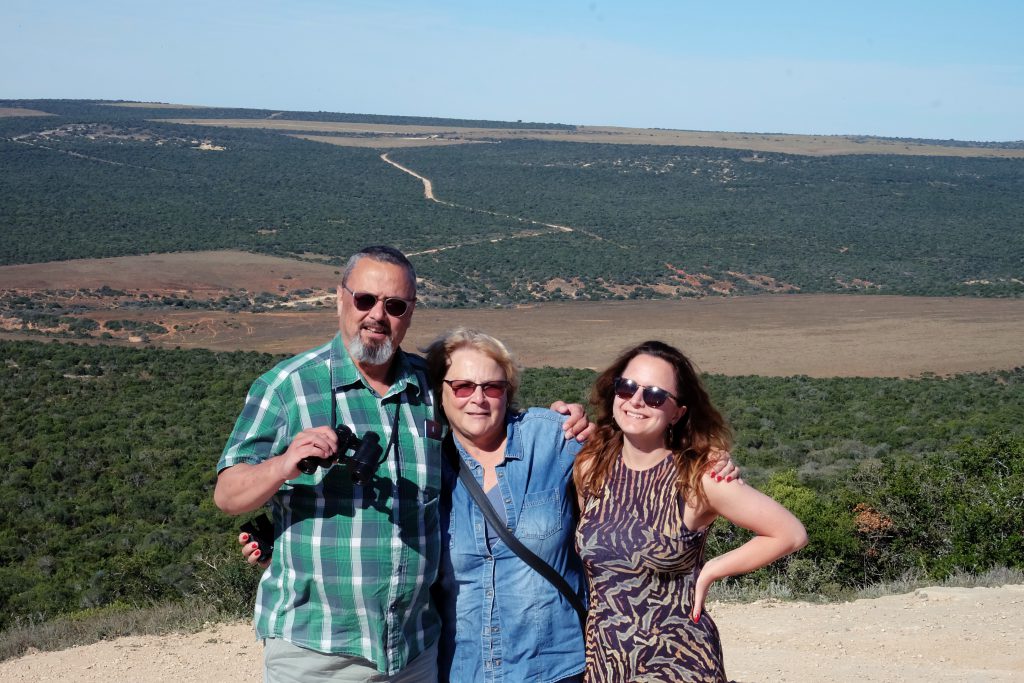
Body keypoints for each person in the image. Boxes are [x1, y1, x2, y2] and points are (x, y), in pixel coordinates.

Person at [215, 246, 589, 683]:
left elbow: (485, 414)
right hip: (318, 647)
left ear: (410, 313)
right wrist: (283, 466)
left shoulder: (429, 386)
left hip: (414, 647)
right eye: (365, 300)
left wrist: (569, 423)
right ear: (340, 298)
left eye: (394, 305)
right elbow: (228, 493)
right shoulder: (288, 386)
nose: (378, 315)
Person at [574, 340, 807, 683]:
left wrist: (712, 569)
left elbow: (789, 533)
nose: (636, 401)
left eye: (654, 395)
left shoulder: (699, 478)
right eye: (626, 388)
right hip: (605, 661)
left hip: (677, 660)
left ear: (678, 412)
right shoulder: (591, 467)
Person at [424, 328, 587, 683]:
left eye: (492, 387)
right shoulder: (426, 466)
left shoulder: (552, 439)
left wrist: (709, 464)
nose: (478, 398)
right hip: (464, 669)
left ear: (507, 392)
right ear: (441, 391)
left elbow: (637, 467)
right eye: (463, 386)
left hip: (555, 668)